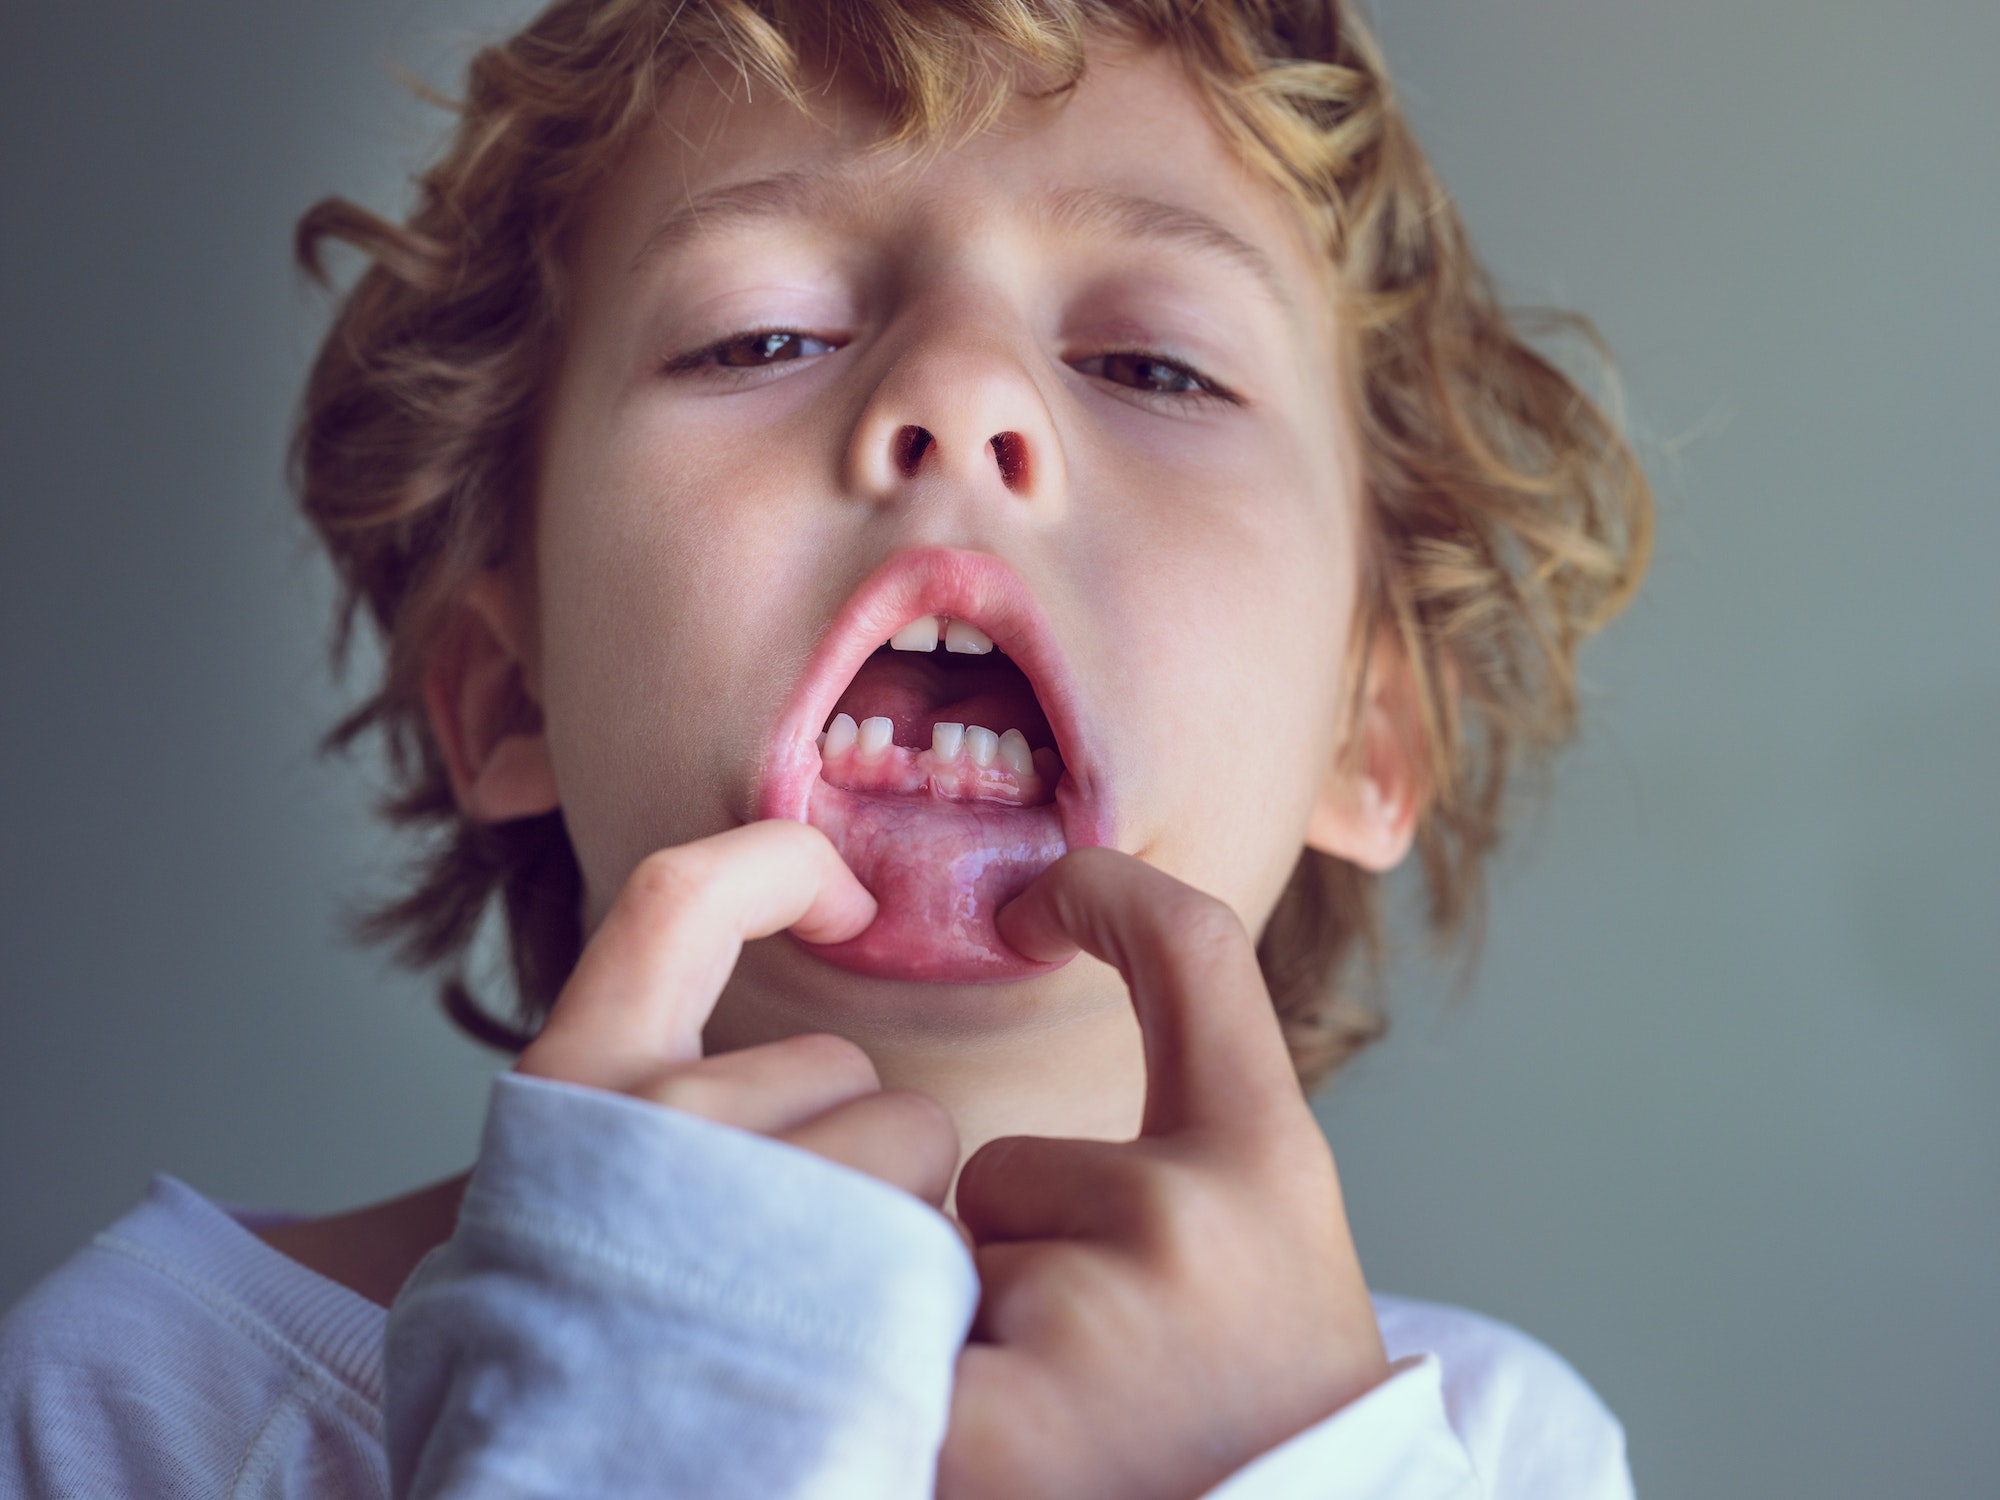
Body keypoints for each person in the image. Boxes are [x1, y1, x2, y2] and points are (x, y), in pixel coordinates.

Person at [0, 1, 1653, 1494]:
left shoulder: (1485, 1450)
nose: (961, 393)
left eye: (1155, 364)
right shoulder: (140, 1405)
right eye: (762, 336)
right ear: (513, 696)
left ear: (1370, 733)